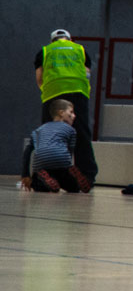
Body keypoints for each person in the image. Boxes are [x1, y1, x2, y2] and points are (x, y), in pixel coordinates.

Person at [33, 29, 96, 185]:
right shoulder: (80, 49)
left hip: (53, 93)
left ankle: (48, 175)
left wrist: (47, 91)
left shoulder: (45, 51)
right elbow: (87, 73)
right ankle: (87, 175)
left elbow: (40, 78)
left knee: (49, 135)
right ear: (69, 39)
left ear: (52, 41)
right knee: (81, 133)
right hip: (78, 91)